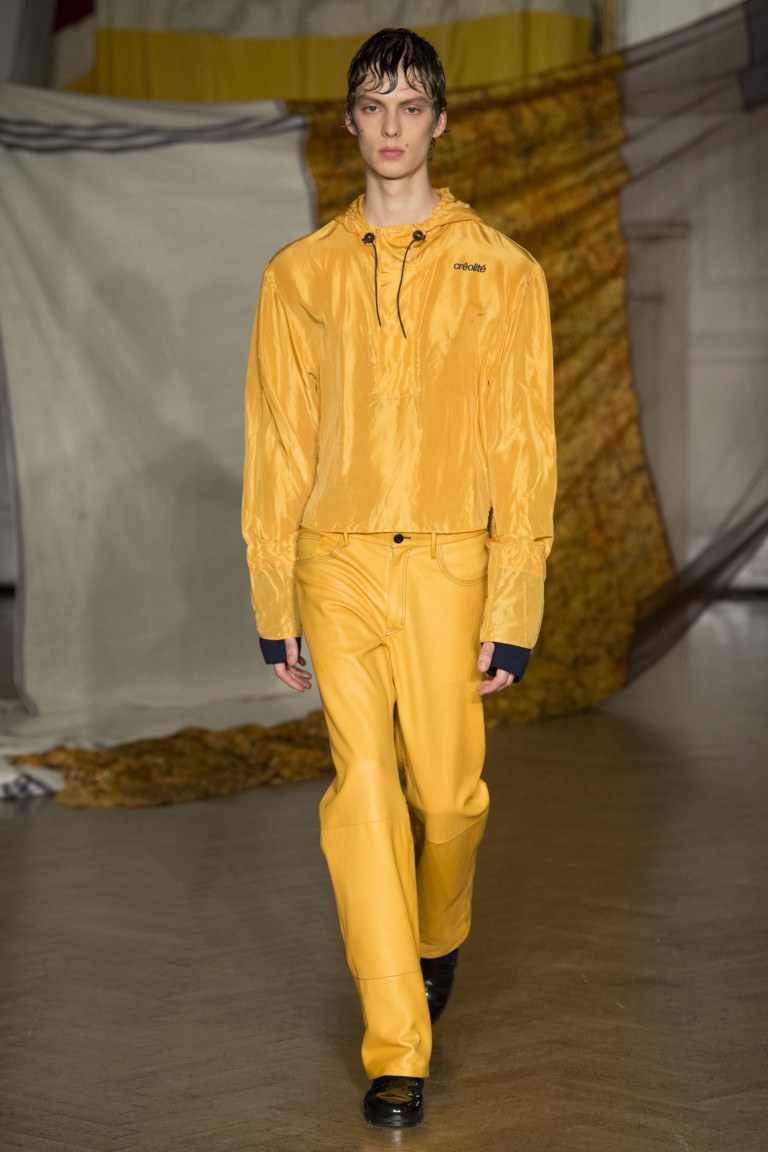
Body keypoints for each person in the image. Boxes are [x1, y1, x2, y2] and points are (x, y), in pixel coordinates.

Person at [242, 27, 556, 1129]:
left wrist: (513, 606)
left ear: (439, 121)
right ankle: (398, 1045)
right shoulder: (299, 275)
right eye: (373, 105)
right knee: (363, 791)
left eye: (410, 105)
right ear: (348, 121)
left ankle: (439, 933)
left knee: (449, 798)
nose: (391, 126)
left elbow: (524, 451)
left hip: (450, 567)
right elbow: (278, 445)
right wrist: (273, 598)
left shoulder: (504, 271)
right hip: (334, 563)